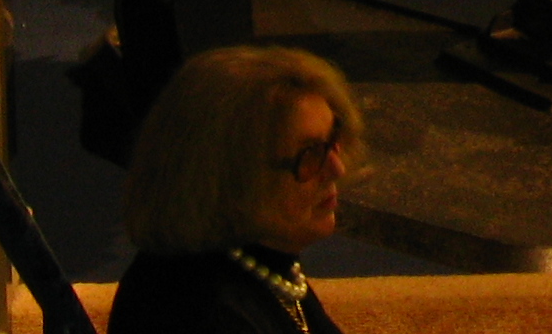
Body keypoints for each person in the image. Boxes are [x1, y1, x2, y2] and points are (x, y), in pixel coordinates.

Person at [111, 44, 364, 334]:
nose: (336, 169)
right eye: (310, 154)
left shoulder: (262, 260)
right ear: (231, 177)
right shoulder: (202, 314)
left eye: (332, 140)